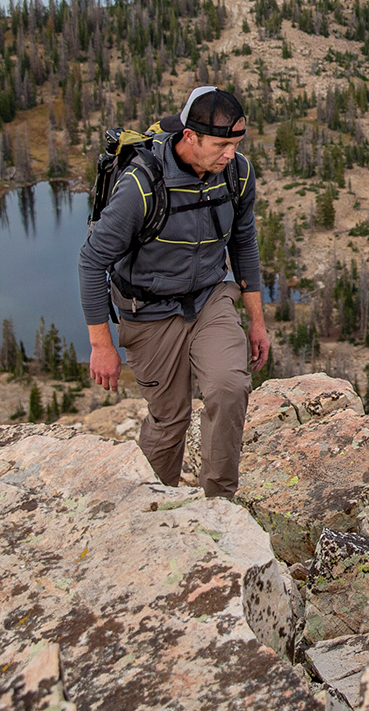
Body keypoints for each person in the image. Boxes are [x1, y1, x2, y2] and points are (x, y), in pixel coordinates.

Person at [79, 86, 270, 497]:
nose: (229, 155)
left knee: (228, 386)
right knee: (169, 419)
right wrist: (101, 345)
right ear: (189, 137)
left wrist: (257, 321)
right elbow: (92, 262)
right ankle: (153, 507)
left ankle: (220, 503)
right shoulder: (141, 185)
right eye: (220, 145)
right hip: (148, 311)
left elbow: (244, 245)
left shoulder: (236, 173)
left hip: (208, 297)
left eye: (236, 145)